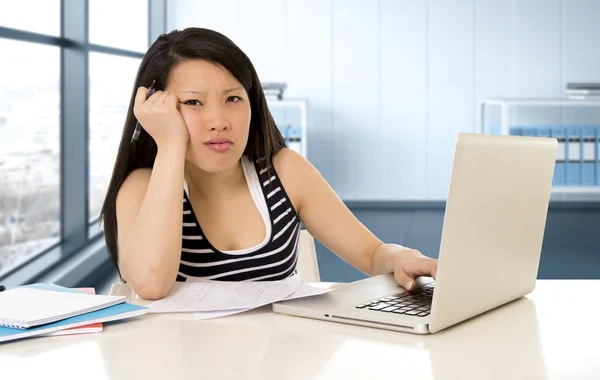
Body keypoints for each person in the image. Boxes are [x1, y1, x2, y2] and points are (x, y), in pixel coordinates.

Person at [100, 27, 438, 300]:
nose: (219, 120)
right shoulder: (142, 186)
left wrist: (400, 257)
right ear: (158, 108)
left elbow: (373, 253)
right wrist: (171, 143)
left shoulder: (286, 172)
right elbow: (150, 284)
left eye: (233, 98)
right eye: (192, 102)